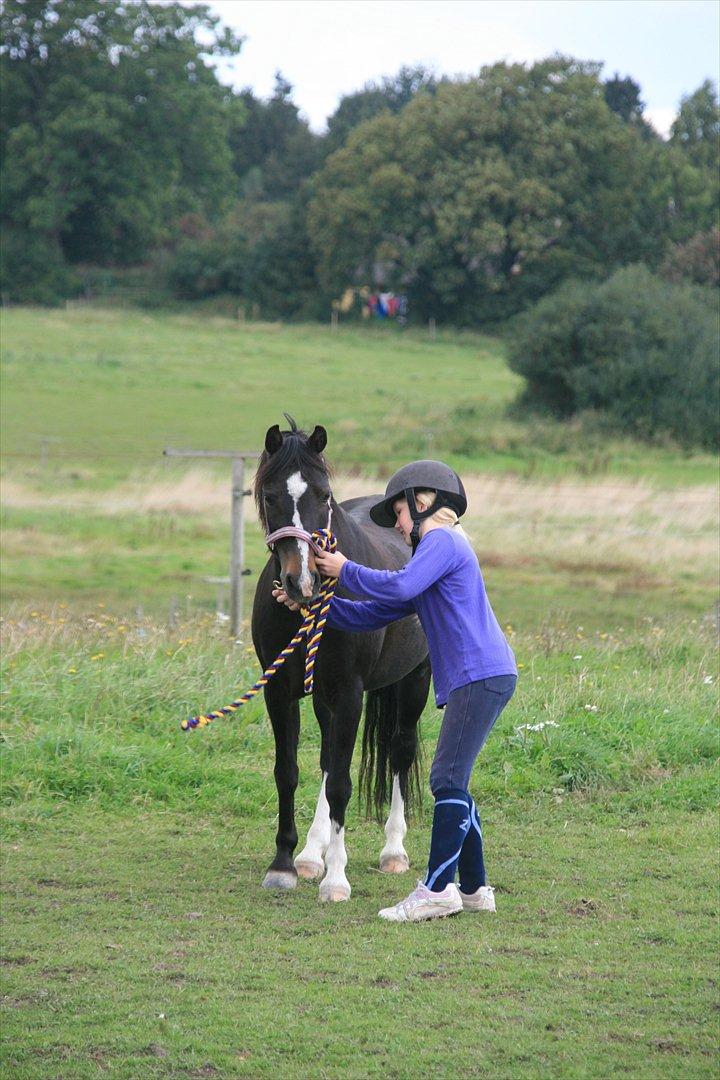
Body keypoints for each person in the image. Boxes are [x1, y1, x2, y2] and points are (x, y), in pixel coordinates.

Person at [273, 460, 517, 923]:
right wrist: (312, 609)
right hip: (482, 676)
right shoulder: (435, 557)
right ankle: (473, 888)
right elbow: (375, 612)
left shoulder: (443, 542)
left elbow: (399, 582)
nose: (399, 528)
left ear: (424, 505)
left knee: (445, 779)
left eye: (401, 514)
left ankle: (436, 889)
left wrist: (343, 569)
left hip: (478, 676)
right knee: (455, 781)